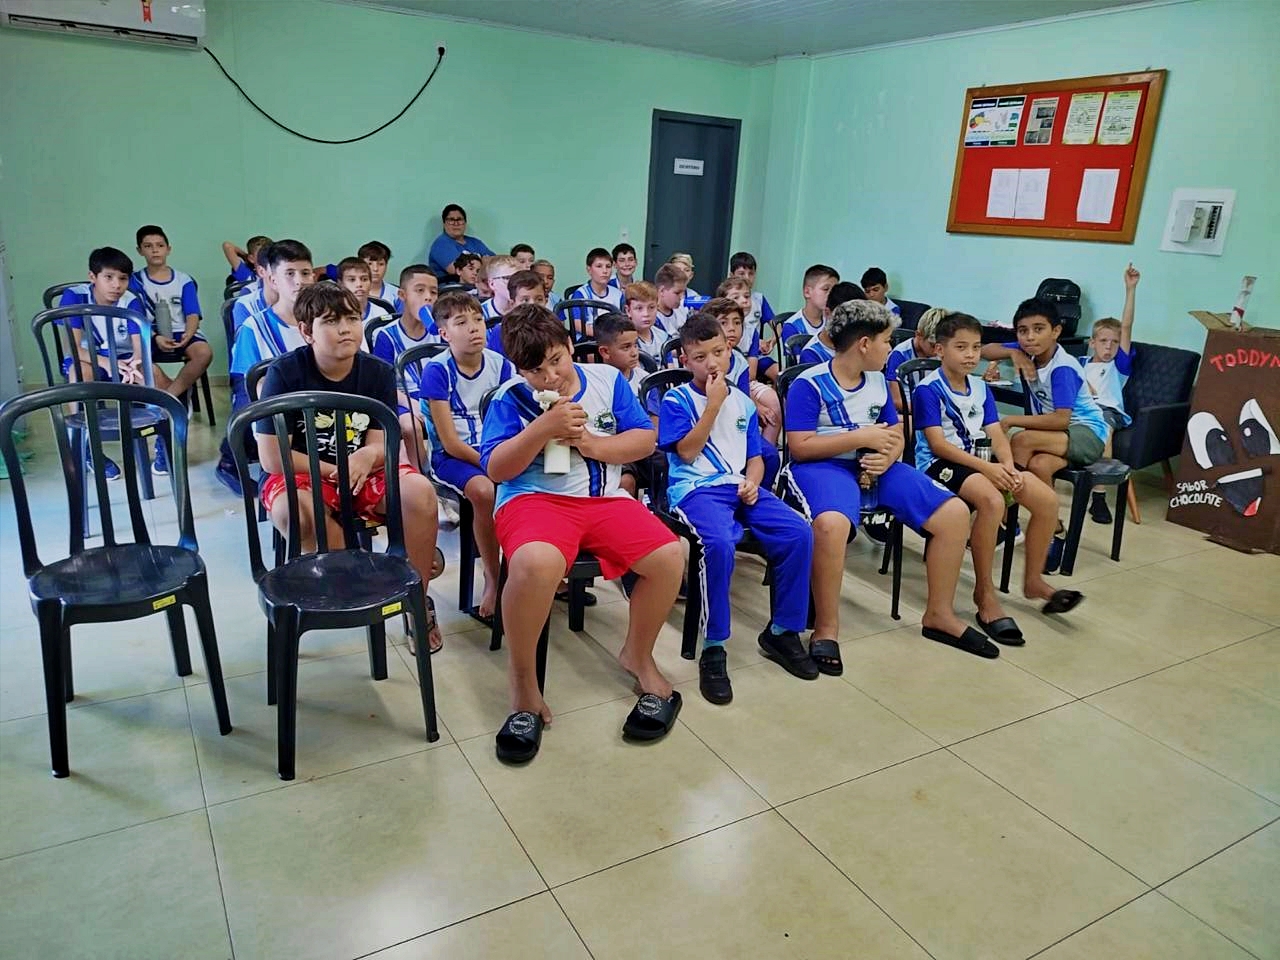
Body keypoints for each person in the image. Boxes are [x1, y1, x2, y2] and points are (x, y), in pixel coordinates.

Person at [479, 304, 684, 763]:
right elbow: (496, 468)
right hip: (535, 500)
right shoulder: (511, 398)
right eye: (536, 371)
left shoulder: (607, 380)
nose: (550, 377)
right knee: (536, 563)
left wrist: (591, 443)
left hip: (604, 498)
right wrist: (541, 429)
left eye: (556, 360)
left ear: (570, 346)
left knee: (669, 555)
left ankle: (638, 655)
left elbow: (643, 439)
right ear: (519, 369)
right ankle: (523, 686)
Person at [782, 300, 997, 663]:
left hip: (877, 466)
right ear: (864, 344)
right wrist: (861, 437)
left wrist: (888, 455)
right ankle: (826, 627)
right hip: (823, 466)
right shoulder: (810, 383)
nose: (890, 349)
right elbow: (800, 447)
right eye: (885, 341)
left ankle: (939, 615)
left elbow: (895, 433)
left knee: (954, 513)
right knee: (832, 525)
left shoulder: (878, 381)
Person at [255, 283, 443, 654]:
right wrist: (334, 469)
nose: (345, 329)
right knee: (296, 512)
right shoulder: (285, 373)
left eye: (352, 318)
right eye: (331, 321)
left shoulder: (376, 372)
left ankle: (415, 598)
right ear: (306, 331)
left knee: (420, 493)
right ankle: (361, 581)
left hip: (363, 471)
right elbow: (273, 458)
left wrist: (368, 456)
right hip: (304, 472)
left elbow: (380, 443)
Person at [659, 312, 814, 703]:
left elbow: (755, 458)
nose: (711, 363)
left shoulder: (744, 402)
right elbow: (687, 452)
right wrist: (712, 407)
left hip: (739, 485)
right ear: (685, 360)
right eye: (699, 357)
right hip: (696, 490)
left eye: (718, 352)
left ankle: (782, 632)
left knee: (798, 532)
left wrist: (753, 482)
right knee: (719, 543)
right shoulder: (677, 399)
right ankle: (714, 646)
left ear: (730, 350)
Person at [914, 312, 1082, 643]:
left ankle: (1033, 582)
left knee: (1046, 500)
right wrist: (989, 470)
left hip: (981, 462)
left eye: (976, 347)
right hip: (940, 463)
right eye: (961, 347)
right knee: (992, 501)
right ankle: (985, 593)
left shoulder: (980, 387)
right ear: (940, 350)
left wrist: (1006, 465)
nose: (971, 355)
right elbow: (937, 445)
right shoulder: (928, 389)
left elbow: (995, 432)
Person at [982, 298, 1109, 573]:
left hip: (1087, 434)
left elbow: (1061, 419)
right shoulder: (1028, 351)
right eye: (1022, 331)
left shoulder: (1062, 367)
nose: (1030, 337)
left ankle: (1006, 520)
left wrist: (1011, 420)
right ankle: (1055, 529)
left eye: (1038, 329)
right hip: (1058, 436)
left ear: (1056, 331)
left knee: (1021, 440)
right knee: (1039, 465)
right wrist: (1013, 354)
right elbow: (985, 350)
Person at [422, 291, 513, 621]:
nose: (474, 327)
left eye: (478, 319)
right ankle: (493, 576)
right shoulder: (437, 370)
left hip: (495, 450)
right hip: (454, 457)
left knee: (538, 480)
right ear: (444, 333)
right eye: (461, 322)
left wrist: (505, 458)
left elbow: (511, 421)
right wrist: (493, 464)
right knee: (484, 491)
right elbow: (449, 442)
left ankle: (530, 569)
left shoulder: (501, 365)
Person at [217, 239, 317, 495]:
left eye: (305, 273)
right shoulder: (254, 328)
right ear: (272, 280)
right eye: (289, 274)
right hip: (283, 416)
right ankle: (232, 461)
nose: (299, 281)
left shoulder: (323, 321)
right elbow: (257, 387)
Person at [58, 246, 149, 481]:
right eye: (108, 277)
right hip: (86, 357)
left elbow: (139, 345)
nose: (116, 285)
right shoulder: (74, 296)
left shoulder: (131, 301)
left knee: (152, 375)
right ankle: (86, 447)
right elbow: (72, 348)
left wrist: (136, 363)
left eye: (123, 278)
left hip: (122, 358)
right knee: (81, 375)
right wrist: (107, 363)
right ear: (93, 277)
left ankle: (162, 442)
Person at [130, 226, 214, 450]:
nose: (155, 250)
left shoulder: (183, 280)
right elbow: (135, 317)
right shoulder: (135, 281)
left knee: (203, 353)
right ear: (140, 251)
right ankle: (174, 401)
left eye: (159, 245)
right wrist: (155, 336)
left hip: (181, 331)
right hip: (149, 333)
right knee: (141, 362)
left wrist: (189, 333)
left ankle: (172, 396)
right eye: (148, 246)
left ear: (168, 248)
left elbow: (193, 314)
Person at [1081, 264, 1141, 523]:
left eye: (1114, 342)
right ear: (1092, 342)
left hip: (1106, 411)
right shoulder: (1081, 364)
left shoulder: (1118, 366)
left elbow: (1126, 326)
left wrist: (1130, 289)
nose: (1109, 347)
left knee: (1103, 429)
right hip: (1081, 409)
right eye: (1103, 341)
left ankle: (1099, 498)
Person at [700, 298, 781, 480]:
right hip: (708, 425)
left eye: (737, 323)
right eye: (724, 323)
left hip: (736, 426)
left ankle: (756, 493)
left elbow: (744, 402)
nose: (732, 329)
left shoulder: (740, 362)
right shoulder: (704, 362)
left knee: (770, 456)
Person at [372, 263, 442, 470]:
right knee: (410, 427)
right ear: (402, 295)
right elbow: (383, 384)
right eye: (419, 290)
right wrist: (412, 404)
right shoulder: (386, 335)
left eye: (433, 292)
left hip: (436, 395)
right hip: (402, 398)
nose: (428, 297)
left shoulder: (441, 332)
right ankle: (420, 473)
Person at [885, 305, 945, 411]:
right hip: (908, 411)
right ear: (918, 335)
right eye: (932, 345)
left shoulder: (943, 353)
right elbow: (896, 401)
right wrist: (927, 411)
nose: (937, 351)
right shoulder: (899, 355)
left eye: (941, 346)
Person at [799, 281, 865, 364]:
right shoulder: (811, 354)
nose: (851, 324)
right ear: (827, 313)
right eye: (844, 317)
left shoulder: (860, 344)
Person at [566, 247, 624, 339]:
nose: (605, 271)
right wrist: (603, 336)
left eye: (608, 266)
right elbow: (576, 324)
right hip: (587, 340)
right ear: (589, 270)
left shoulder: (618, 294)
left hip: (613, 339)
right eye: (599, 266)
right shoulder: (581, 294)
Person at [486, 270, 546, 353]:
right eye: (525, 300)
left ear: (546, 301)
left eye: (539, 299)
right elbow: (495, 359)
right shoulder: (501, 332)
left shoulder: (552, 328)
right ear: (512, 304)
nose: (533, 304)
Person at [730, 251, 776, 357]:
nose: (747, 278)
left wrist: (772, 341)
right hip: (732, 353)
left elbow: (777, 325)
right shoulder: (724, 300)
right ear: (731, 275)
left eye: (751, 273)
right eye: (742, 273)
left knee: (777, 367)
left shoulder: (759, 299)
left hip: (755, 353)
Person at [427, 203, 493, 278]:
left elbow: (497, 264)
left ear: (465, 223)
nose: (456, 223)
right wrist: (485, 263)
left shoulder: (475, 242)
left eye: (459, 219)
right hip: (453, 284)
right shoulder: (441, 244)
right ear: (444, 224)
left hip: (479, 283)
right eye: (451, 220)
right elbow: (458, 271)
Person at [781, 264, 839, 345]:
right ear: (807, 292)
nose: (832, 294)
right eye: (826, 289)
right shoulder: (792, 326)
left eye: (834, 290)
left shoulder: (833, 320)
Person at [337, 257, 391, 328]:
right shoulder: (332, 314)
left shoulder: (381, 314)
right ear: (340, 284)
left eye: (364, 279)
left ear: (370, 283)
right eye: (352, 280)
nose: (359, 284)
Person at [624, 281, 664, 363]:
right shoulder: (625, 341)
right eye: (639, 308)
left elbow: (670, 367)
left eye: (651, 307)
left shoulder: (663, 336)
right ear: (628, 310)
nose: (646, 314)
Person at [359, 240, 399, 307]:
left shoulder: (396, 294)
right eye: (369, 264)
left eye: (381, 264)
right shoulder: (350, 292)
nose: (375, 269)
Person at [653, 263, 688, 339]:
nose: (681, 297)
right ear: (662, 291)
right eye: (677, 293)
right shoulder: (652, 318)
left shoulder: (682, 311)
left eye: (683, 292)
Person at [479, 255, 519, 322]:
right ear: (492, 284)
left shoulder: (527, 310)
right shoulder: (480, 314)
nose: (515, 283)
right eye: (507, 278)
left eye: (518, 277)